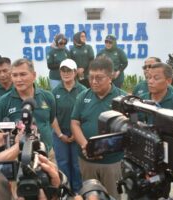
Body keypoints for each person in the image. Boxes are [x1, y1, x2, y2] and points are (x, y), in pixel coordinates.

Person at [71, 56, 127, 199]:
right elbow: (75, 123)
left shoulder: (122, 99)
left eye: (99, 78)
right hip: (87, 160)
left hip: (112, 162)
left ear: (110, 77)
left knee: (113, 195)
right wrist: (86, 146)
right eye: (91, 77)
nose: (94, 82)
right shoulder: (83, 97)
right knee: (89, 195)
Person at [0, 58, 56, 154]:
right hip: (17, 158)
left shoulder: (47, 97)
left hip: (47, 154)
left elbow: (50, 121)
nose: (18, 79)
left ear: (34, 75)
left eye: (23, 74)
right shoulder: (2, 103)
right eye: (14, 75)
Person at [52, 58, 86, 193]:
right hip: (60, 133)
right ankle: (66, 190)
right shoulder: (55, 92)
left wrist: (76, 133)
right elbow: (52, 116)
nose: (66, 73)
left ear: (75, 72)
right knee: (63, 163)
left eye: (69, 71)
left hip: (78, 133)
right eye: (63, 71)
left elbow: (85, 115)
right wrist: (60, 134)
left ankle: (78, 191)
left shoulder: (83, 90)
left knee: (77, 164)